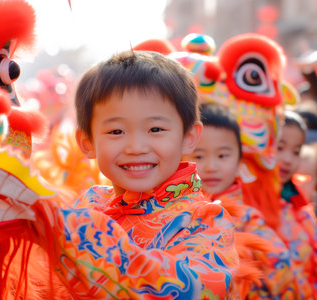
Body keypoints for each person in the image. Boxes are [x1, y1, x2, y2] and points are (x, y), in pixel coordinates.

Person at [72, 50, 240, 298]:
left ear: (189, 137)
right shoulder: (87, 205)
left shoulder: (204, 221)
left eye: (155, 129)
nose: (136, 147)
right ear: (87, 142)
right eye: (116, 131)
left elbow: (192, 288)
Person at [183, 102, 296, 299]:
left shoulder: (247, 219)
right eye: (199, 156)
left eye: (222, 155)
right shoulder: (170, 213)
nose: (211, 166)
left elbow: (280, 267)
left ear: (239, 162)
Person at [275, 110, 317, 299]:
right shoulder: (239, 204)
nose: (288, 159)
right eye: (279, 147)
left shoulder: (301, 207)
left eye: (296, 151)